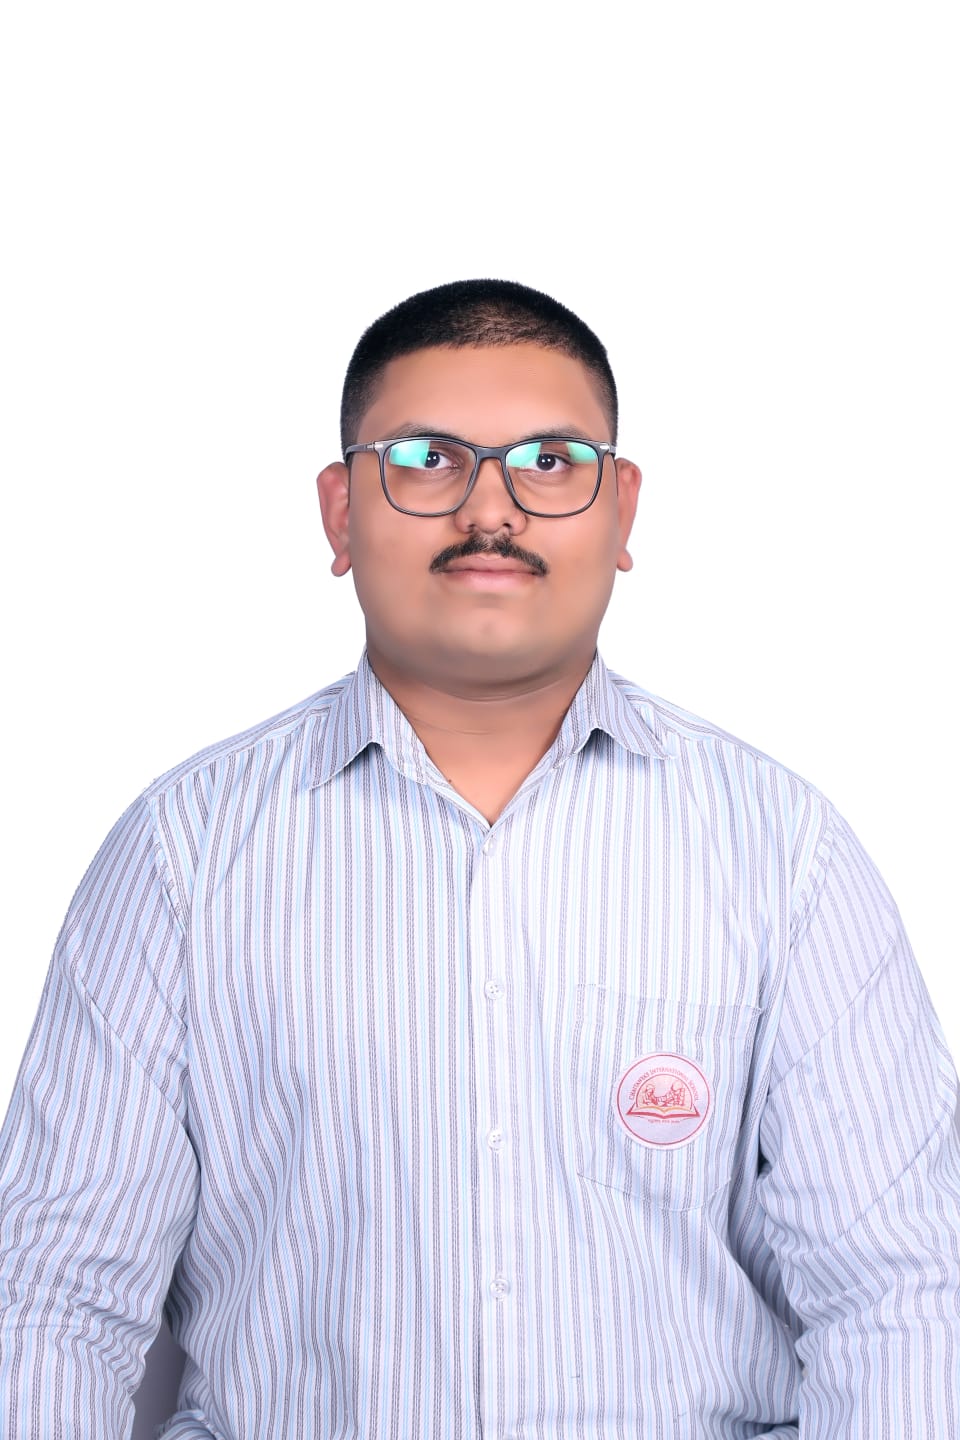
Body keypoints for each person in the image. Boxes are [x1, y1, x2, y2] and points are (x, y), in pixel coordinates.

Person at [1, 278, 958, 1439]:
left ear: (622, 510)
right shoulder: (181, 858)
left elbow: (898, 1297)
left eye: (552, 462)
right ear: (340, 514)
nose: (491, 509)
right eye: (425, 459)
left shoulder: (781, 854)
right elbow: (57, 1296)